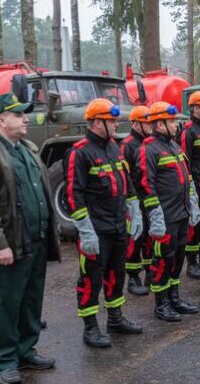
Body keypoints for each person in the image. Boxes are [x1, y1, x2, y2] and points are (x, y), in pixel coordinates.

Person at [0, 93, 60, 383]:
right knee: (8, 303)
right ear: (0, 121)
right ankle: (6, 359)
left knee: (32, 300)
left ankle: (26, 350)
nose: (25, 119)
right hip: (11, 244)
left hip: (37, 238)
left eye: (24, 114)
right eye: (19, 115)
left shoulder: (28, 148)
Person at [65, 98, 143, 349]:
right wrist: (85, 231)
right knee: (91, 278)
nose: (116, 124)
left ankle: (115, 319)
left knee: (115, 274)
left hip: (118, 225)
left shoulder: (114, 147)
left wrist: (134, 207)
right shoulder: (80, 152)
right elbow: (73, 195)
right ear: (98, 122)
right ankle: (90, 327)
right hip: (96, 230)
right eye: (112, 121)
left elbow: (126, 180)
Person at [135, 102, 200, 321]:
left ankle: (174, 296)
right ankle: (161, 303)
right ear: (160, 124)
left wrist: (192, 200)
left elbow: (187, 175)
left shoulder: (174, 146)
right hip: (165, 217)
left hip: (180, 213)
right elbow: (146, 184)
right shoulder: (148, 149)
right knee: (163, 259)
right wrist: (155, 215)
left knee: (177, 258)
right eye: (172, 121)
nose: (175, 125)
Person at [179, 91, 200, 279]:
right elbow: (184, 161)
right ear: (196, 108)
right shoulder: (188, 131)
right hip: (196, 185)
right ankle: (191, 263)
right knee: (194, 224)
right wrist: (191, 187)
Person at [119, 106, 153, 296]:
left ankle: (149, 273)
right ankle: (133, 277)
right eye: (146, 122)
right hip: (135, 198)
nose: (150, 125)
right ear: (136, 123)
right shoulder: (128, 145)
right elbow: (126, 176)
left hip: (148, 196)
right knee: (135, 238)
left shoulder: (149, 142)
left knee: (149, 236)